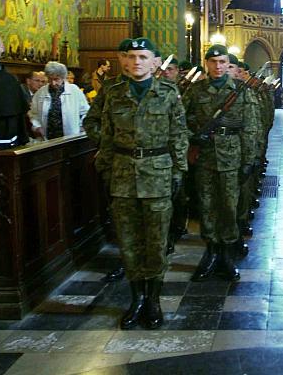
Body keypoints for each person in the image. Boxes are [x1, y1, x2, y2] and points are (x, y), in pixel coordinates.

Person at [95, 37, 188, 330]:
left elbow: (179, 135)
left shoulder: (169, 93)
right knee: (129, 242)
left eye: (143, 57)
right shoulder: (113, 93)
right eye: (132, 56)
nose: (136, 62)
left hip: (158, 174)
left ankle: (153, 299)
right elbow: (102, 132)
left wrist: (178, 173)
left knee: (157, 242)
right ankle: (135, 299)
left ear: (155, 62)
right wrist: (107, 167)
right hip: (122, 176)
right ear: (124, 60)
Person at [183, 44, 260, 282]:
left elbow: (251, 128)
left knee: (229, 207)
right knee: (206, 206)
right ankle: (211, 252)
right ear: (206, 64)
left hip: (231, 157)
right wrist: (191, 137)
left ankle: (226, 255)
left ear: (228, 65)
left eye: (222, 62)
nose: (218, 66)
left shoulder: (241, 91)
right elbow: (177, 121)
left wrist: (248, 161)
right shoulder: (195, 92)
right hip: (204, 157)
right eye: (213, 62)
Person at [83, 38, 133, 283]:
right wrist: (105, 142)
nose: (130, 60)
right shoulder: (110, 88)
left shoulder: (157, 88)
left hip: (148, 166)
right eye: (124, 55)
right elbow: (90, 120)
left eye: (135, 55)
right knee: (119, 217)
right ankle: (124, 260)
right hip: (116, 164)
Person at [29, 61, 90, 140]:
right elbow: (33, 113)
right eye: (50, 79)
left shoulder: (74, 90)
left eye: (56, 79)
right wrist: (37, 126)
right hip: (48, 137)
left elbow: (86, 112)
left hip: (71, 137)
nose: (53, 83)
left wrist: (82, 126)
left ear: (63, 77)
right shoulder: (41, 92)